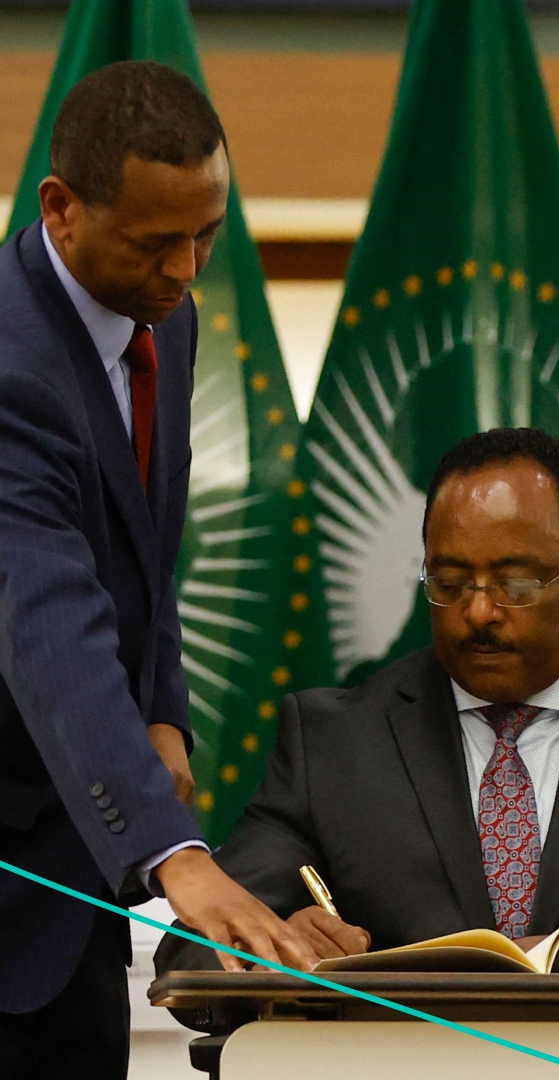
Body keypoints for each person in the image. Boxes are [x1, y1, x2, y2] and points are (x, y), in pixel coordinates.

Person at [156, 429, 559, 980]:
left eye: (515, 583)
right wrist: (278, 947)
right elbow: (188, 956)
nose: (480, 612)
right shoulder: (333, 744)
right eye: (451, 584)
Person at [0, 62, 316, 1077]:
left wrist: (165, 708)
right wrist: (175, 852)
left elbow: (141, 551)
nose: (186, 272)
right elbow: (48, 621)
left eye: (206, 236)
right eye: (154, 242)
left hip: (71, 884)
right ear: (61, 210)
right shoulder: (8, 373)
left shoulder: (160, 322)